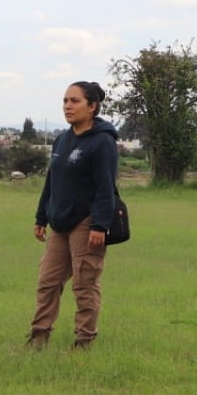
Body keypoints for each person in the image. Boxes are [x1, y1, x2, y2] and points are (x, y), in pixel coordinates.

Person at [28, 81, 120, 351]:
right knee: (47, 282)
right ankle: (38, 338)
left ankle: (84, 341)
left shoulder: (103, 141)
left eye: (75, 101)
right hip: (59, 222)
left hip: (86, 222)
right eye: (65, 100)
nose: (68, 106)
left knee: (84, 284)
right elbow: (52, 181)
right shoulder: (62, 138)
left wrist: (100, 225)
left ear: (92, 107)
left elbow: (106, 187)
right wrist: (41, 216)